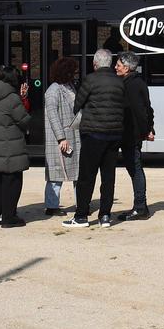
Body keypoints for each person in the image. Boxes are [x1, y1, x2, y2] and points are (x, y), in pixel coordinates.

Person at [66, 49, 128, 228]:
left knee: (87, 176)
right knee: (108, 176)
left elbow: (77, 104)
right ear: (110, 63)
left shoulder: (90, 80)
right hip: (114, 134)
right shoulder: (120, 82)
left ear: (95, 64)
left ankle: (81, 216)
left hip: (93, 133)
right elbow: (123, 105)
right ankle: (105, 215)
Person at [0, 66, 31, 227]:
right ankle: (9, 217)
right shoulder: (11, 98)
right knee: (11, 182)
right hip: (10, 147)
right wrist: (23, 99)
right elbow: (24, 120)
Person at [116, 51, 154, 221]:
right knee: (135, 168)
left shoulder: (130, 85)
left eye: (118, 64)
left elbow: (140, 111)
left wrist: (145, 131)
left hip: (131, 135)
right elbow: (149, 109)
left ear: (127, 67)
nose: (115, 67)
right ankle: (141, 206)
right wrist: (149, 129)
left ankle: (140, 207)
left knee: (135, 169)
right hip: (134, 134)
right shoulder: (137, 82)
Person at [43, 57, 80, 217]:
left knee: (78, 172)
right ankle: (51, 205)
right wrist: (61, 138)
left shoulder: (70, 86)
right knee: (56, 173)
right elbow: (52, 115)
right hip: (62, 138)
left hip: (73, 134)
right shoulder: (53, 90)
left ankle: (82, 202)